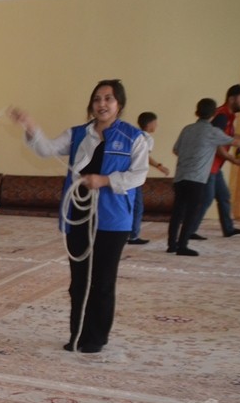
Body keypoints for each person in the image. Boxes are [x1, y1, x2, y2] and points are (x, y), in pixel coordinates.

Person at [10, 79, 147, 355]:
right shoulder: (77, 134)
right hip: (79, 215)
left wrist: (106, 180)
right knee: (79, 280)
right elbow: (46, 149)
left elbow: (139, 175)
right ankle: (78, 334)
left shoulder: (134, 138)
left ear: (119, 104)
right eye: (97, 99)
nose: (102, 104)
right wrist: (31, 126)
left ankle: (97, 337)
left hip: (112, 220)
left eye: (108, 99)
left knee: (103, 280)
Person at [167, 98, 240, 255]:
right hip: (197, 178)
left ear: (198, 111)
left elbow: (176, 150)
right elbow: (235, 142)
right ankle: (182, 246)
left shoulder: (187, 129)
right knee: (192, 212)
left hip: (180, 176)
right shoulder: (212, 132)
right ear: (213, 114)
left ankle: (171, 245)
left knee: (177, 212)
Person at [190, 84, 240, 239]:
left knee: (224, 196)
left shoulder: (228, 116)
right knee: (206, 199)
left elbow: (228, 137)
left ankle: (228, 229)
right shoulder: (222, 116)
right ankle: (189, 231)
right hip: (208, 165)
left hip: (216, 166)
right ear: (232, 98)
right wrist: (233, 160)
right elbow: (216, 143)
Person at [127, 111, 170, 245]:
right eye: (155, 123)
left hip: (125, 174)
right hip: (135, 176)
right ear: (150, 124)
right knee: (138, 206)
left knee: (127, 204)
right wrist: (159, 166)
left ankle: (123, 232)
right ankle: (133, 236)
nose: (156, 126)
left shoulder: (133, 134)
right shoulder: (147, 138)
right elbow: (143, 156)